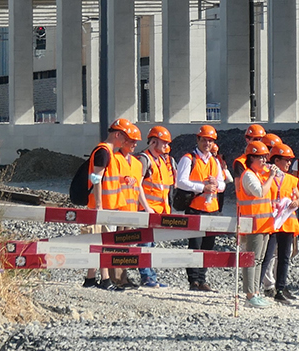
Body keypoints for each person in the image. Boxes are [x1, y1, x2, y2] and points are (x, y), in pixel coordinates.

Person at [84, 119, 148, 290]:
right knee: (103, 243)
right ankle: (102, 280)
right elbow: (96, 179)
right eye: (125, 137)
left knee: (101, 242)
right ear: (117, 134)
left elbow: (105, 179)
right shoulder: (104, 152)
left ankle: (94, 279)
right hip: (104, 206)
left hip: (110, 205)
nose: (126, 142)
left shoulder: (108, 152)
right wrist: (99, 205)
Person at [173, 124, 231, 292]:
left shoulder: (214, 161)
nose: (207, 144)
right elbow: (181, 182)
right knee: (195, 245)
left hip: (211, 209)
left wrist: (216, 184)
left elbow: (222, 184)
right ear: (198, 139)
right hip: (195, 207)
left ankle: (203, 278)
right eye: (204, 140)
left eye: (210, 141)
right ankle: (194, 280)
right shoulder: (188, 158)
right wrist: (202, 187)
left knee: (208, 246)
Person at [234, 140, 279, 308]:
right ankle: (250, 294)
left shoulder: (258, 174)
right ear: (251, 158)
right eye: (260, 158)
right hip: (253, 225)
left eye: (265, 157)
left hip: (262, 225)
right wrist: (271, 177)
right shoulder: (248, 175)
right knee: (251, 260)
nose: (264, 161)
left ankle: (256, 292)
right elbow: (260, 192)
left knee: (258, 259)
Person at [135, 125, 177, 288]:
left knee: (150, 244)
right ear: (153, 142)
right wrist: (146, 207)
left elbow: (165, 189)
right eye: (164, 143)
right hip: (148, 210)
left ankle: (151, 275)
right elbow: (138, 185)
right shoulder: (145, 159)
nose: (167, 146)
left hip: (159, 210)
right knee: (145, 243)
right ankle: (146, 277)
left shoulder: (161, 161)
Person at [263, 143, 299, 302]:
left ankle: (280, 289)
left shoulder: (292, 180)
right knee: (267, 256)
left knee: (284, 257)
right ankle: (260, 288)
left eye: (289, 160)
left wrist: (297, 203)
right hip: (271, 222)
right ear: (276, 160)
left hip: (287, 222)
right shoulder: (267, 177)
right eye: (286, 160)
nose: (289, 163)